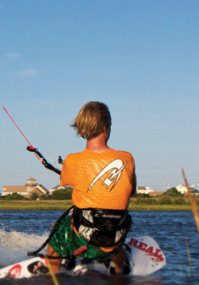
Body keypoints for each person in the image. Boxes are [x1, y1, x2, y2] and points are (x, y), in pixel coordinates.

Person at [39, 101, 136, 275]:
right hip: (116, 232)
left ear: (82, 129)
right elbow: (132, 191)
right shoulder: (127, 158)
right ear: (106, 127)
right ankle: (119, 266)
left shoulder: (72, 160)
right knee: (115, 232)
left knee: (56, 230)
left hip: (84, 231)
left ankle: (53, 274)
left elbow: (65, 181)